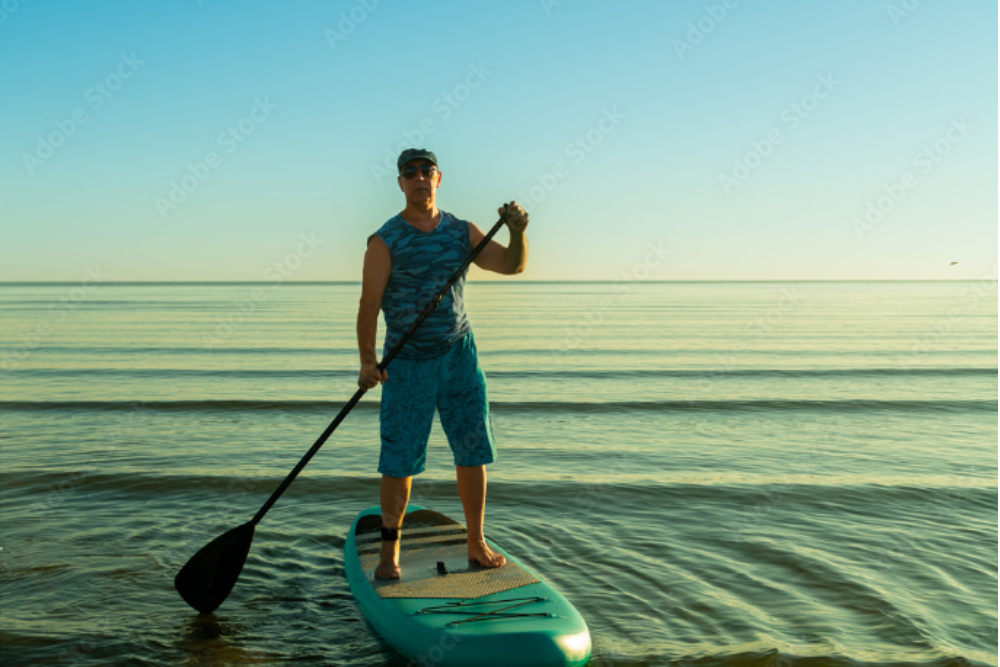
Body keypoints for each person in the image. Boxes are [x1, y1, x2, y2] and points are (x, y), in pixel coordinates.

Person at [357, 148, 529, 580]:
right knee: (399, 461)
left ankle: (475, 541)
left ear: (438, 179)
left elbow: (511, 265)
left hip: (459, 357)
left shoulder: (461, 231)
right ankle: (388, 553)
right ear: (400, 183)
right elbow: (369, 304)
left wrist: (519, 231)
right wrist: (367, 360)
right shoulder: (385, 240)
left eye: (426, 171)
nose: (418, 178)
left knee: (473, 452)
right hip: (408, 363)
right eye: (409, 172)